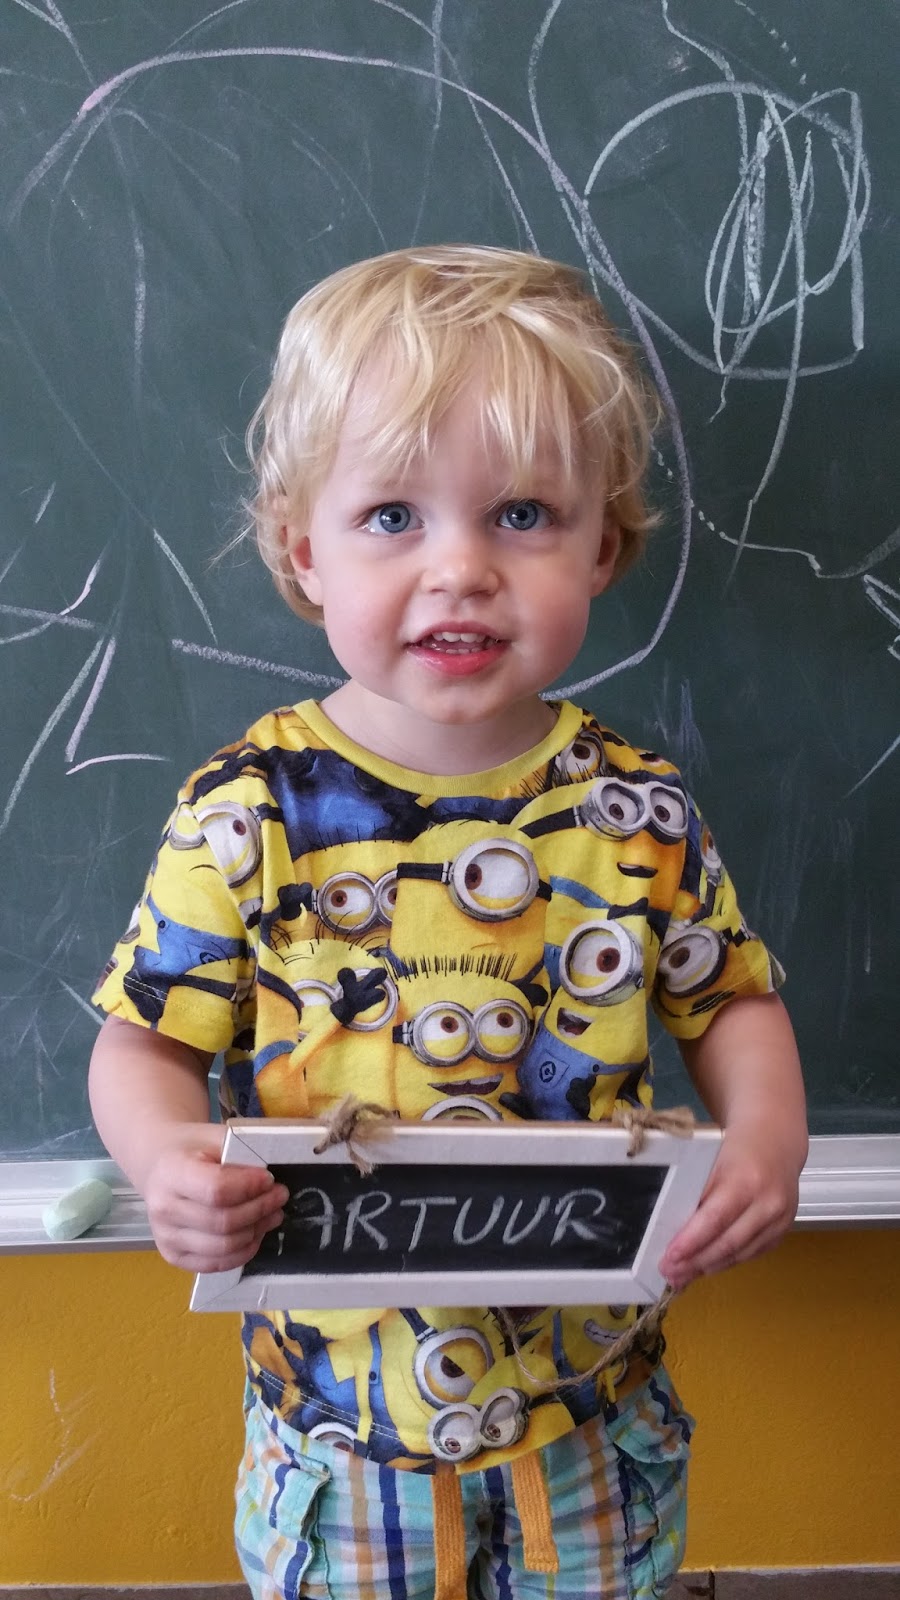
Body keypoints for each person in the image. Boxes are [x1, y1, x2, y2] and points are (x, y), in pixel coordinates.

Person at [89, 244, 808, 1600]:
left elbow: (729, 1001)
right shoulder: (245, 812)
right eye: (392, 516)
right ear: (304, 550)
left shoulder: (637, 810)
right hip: (340, 1430)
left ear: (603, 546)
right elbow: (145, 1044)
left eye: (523, 514)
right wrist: (165, 1158)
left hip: (589, 1414)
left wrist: (771, 1138)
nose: (462, 569)